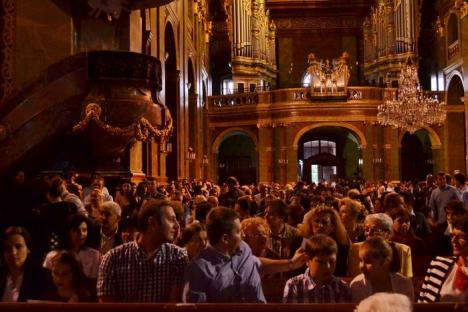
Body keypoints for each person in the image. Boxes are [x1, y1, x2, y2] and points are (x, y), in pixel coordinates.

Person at [183, 207, 306, 303]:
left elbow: (255, 263)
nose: (243, 235)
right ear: (225, 238)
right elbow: (195, 308)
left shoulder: (243, 248)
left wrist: (291, 263)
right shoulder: (198, 269)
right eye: (238, 231)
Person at [97, 199, 189, 302]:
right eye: (172, 219)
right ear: (152, 223)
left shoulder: (178, 257)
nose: (177, 225)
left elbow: (173, 306)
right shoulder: (113, 259)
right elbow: (107, 307)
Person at [283, 234, 351, 303]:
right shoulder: (294, 285)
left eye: (332, 261)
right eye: (321, 262)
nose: (328, 266)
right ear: (307, 261)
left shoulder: (341, 287)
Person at [419, 213, 468, 302]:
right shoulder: (438, 264)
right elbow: (422, 301)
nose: (453, 240)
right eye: (452, 235)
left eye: (461, 236)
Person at [347, 213, 412, 278]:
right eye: (366, 229)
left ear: (388, 233)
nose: (369, 233)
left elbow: (407, 278)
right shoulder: (355, 248)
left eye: (375, 230)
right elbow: (352, 276)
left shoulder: (403, 250)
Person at [350, 236, 414, 302]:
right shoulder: (357, 285)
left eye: (368, 261)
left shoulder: (404, 284)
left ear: (386, 261)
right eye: (360, 260)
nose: (362, 266)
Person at [43, 213, 101, 279]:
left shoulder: (94, 255)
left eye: (84, 230)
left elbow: (93, 282)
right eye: (76, 230)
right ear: (68, 232)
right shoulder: (52, 256)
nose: (81, 234)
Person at [299, 205, 350, 276]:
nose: (320, 225)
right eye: (316, 221)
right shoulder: (304, 241)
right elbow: (299, 266)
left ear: (333, 226)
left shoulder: (341, 245)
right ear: (311, 224)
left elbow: (341, 271)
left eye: (324, 222)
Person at [0, 227, 47, 302]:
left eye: (18, 247)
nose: (13, 253)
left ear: (28, 249)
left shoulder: (41, 277)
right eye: (7, 248)